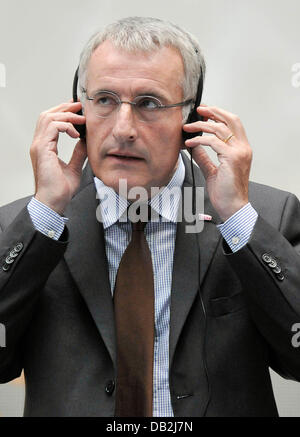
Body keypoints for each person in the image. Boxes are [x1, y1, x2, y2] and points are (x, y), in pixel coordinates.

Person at [0, 16, 299, 417]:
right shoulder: (26, 226)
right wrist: (46, 213)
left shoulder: (266, 217)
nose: (123, 128)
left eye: (149, 104)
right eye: (104, 99)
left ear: (191, 119)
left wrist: (237, 217)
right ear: (79, 109)